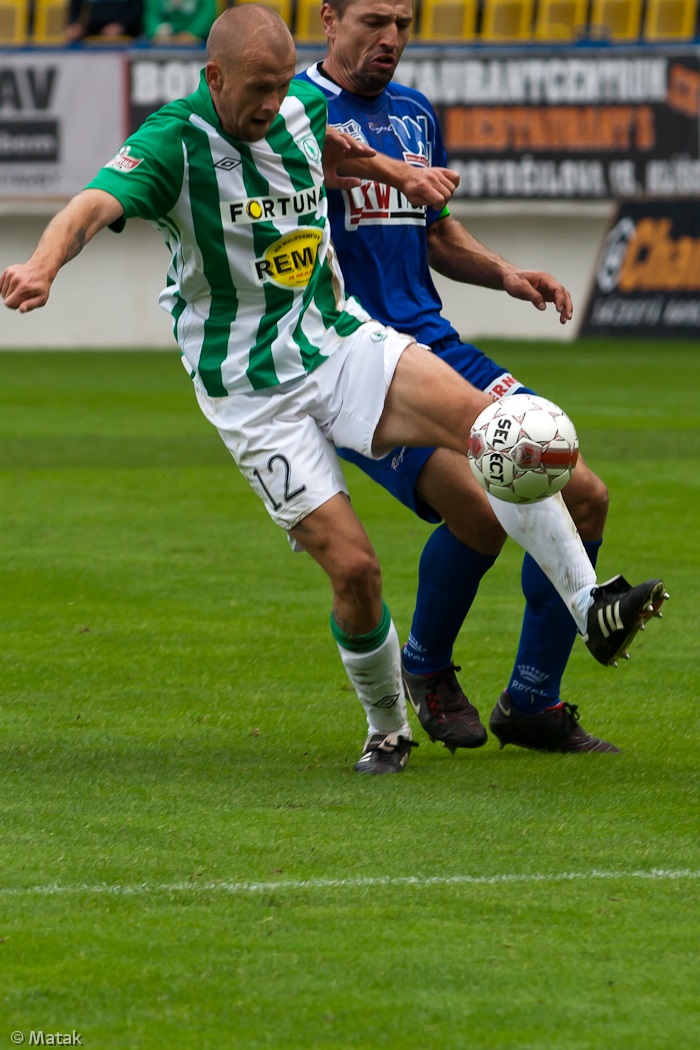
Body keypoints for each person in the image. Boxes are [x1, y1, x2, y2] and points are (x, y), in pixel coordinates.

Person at [1, 6, 664, 776]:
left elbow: (332, 147)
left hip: (337, 340)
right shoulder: (172, 143)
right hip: (250, 389)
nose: (273, 102)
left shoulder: (298, 105)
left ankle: (591, 607)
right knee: (355, 572)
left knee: (496, 431)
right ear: (213, 78)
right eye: (257, 88)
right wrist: (45, 264)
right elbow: (90, 205)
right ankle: (388, 727)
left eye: (283, 85)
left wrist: (397, 173)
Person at [297, 0, 669, 756]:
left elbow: (433, 229)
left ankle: (532, 700)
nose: (391, 39)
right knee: (477, 508)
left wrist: (503, 273)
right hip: (353, 357)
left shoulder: (413, 112)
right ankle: (427, 669)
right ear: (329, 19)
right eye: (374, 20)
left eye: (403, 22)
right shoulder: (296, 111)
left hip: (437, 343)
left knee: (585, 492)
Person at [64, 0, 143, 42]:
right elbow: (75, 6)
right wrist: (74, 24)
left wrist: (122, 25)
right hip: (89, 34)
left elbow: (137, 8)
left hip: (125, 36)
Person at [143, 0, 216, 44]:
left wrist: (192, 33)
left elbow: (208, 12)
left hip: (199, 40)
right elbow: (151, 16)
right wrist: (157, 32)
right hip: (163, 40)